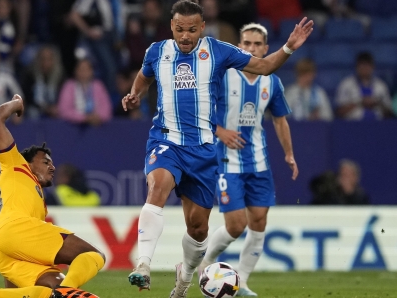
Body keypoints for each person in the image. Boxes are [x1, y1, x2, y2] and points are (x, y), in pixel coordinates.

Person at [121, 1, 312, 297]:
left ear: (202, 27)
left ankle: (183, 282)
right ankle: (143, 265)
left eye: (192, 30)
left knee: (198, 230)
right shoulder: (156, 51)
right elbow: (145, 75)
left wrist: (288, 47)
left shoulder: (219, 51)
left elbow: (263, 66)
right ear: (172, 26)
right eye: (180, 29)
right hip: (166, 140)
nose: (186, 36)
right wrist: (134, 94)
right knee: (156, 187)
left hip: (203, 151)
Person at [0, 95, 104, 298]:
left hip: (4, 246)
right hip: (16, 229)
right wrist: (16, 104)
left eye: (52, 163)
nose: (52, 167)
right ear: (28, 163)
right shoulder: (15, 164)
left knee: (48, 290)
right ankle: (65, 293)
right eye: (46, 162)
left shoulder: (38, 202)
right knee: (94, 255)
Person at [197, 23, 299, 297]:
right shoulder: (224, 75)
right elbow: (199, 108)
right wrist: (220, 131)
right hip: (227, 161)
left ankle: (240, 282)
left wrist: (289, 153)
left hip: (258, 162)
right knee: (235, 225)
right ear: (239, 46)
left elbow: (280, 120)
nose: (251, 48)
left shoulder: (272, 81)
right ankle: (203, 264)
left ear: (265, 49)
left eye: (257, 44)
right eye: (246, 43)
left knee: (259, 223)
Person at [335, 51, 393, 120]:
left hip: (378, 126)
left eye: (367, 65)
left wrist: (377, 103)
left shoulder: (381, 86)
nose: (365, 68)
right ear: (357, 67)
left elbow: (389, 114)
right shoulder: (346, 84)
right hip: (352, 126)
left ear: (373, 67)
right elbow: (339, 112)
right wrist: (360, 102)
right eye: (362, 65)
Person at [58, 58, 112, 126]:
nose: (83, 73)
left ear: (92, 71)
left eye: (87, 69)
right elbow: (64, 110)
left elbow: (107, 109)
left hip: (97, 127)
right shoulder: (69, 86)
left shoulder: (98, 86)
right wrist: (84, 118)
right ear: (75, 71)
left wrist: (98, 117)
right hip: (73, 128)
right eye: (81, 69)